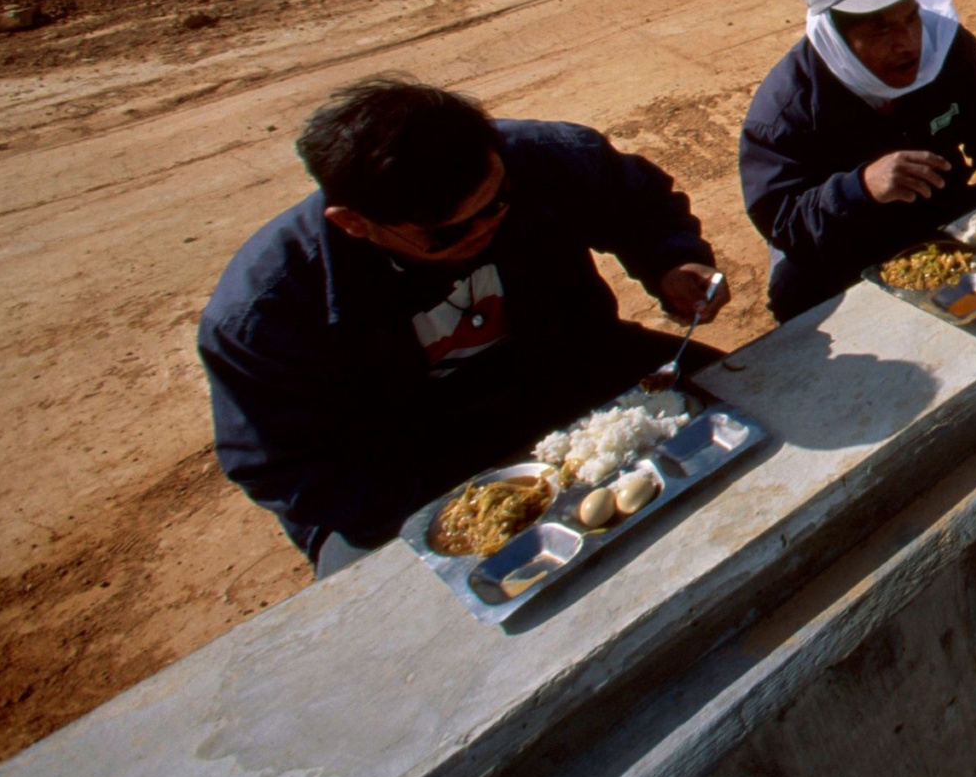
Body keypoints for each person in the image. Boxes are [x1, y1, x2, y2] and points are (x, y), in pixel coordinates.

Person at [199, 78, 728, 574]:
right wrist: (487, 498)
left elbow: (638, 205)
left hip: (571, 367)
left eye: (498, 204)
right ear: (352, 223)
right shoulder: (264, 313)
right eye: (447, 233)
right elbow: (286, 469)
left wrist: (671, 262)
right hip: (405, 461)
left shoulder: (542, 159)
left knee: (740, 394)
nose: (486, 227)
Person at [740, 0, 976, 322]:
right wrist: (860, 188)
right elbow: (783, 222)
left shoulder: (943, 48)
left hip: (934, 208)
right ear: (836, 34)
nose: (907, 42)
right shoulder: (786, 110)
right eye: (879, 29)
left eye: (910, 17)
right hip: (845, 236)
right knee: (795, 294)